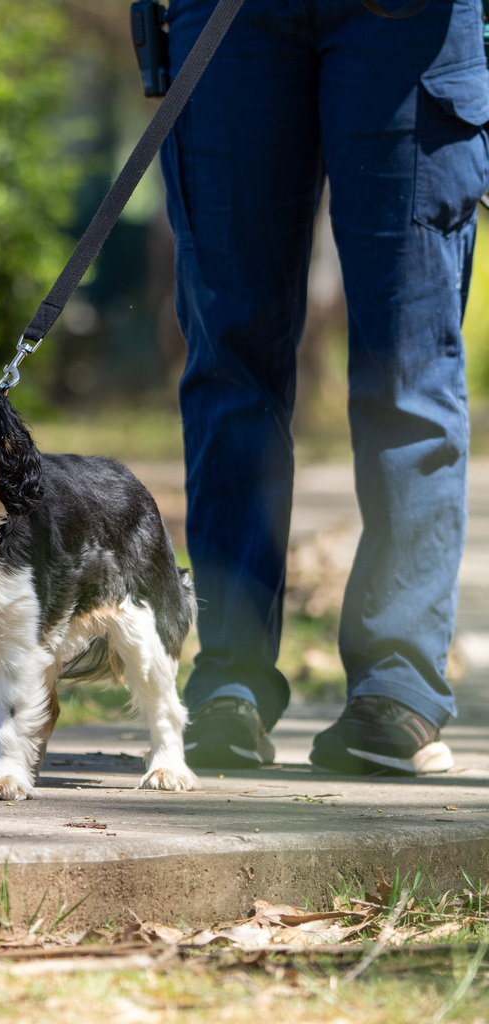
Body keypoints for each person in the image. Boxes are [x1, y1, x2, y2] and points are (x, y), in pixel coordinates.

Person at [159, 0, 489, 773]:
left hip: (411, 24)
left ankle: (397, 688)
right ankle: (229, 681)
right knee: (230, 361)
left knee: (408, 367)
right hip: (232, 19)